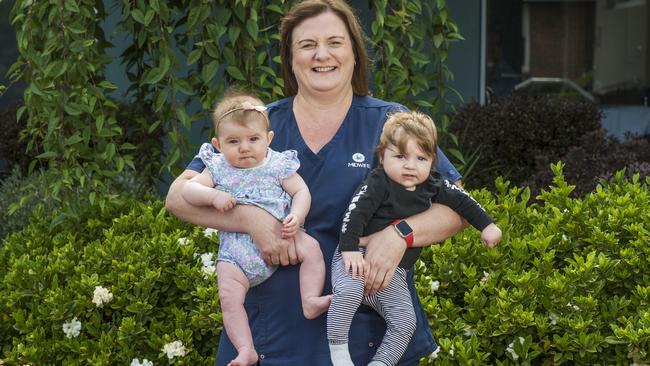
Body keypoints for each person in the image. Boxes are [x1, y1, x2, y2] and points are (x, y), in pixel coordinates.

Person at [165, 0, 467, 364]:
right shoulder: (256, 125)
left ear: (355, 53)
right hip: (269, 338)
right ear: (290, 60)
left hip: (367, 338)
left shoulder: (389, 123)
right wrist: (250, 219)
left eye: (335, 42)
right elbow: (178, 197)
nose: (322, 55)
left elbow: (456, 207)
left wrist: (400, 234)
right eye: (307, 45)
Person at [327, 111, 502, 366]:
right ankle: (339, 351)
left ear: (432, 161)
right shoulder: (378, 182)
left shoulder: (434, 184)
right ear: (382, 156)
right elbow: (354, 213)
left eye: (421, 158)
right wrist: (349, 249)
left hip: (393, 272)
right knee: (350, 291)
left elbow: (465, 202)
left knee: (405, 322)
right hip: (356, 256)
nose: (410, 165)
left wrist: (487, 226)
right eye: (400, 156)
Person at [180, 90, 331, 366]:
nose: (245, 148)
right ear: (218, 144)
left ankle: (310, 299)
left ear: (268, 139)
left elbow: (302, 192)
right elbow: (187, 191)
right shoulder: (217, 167)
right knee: (228, 296)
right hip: (236, 254)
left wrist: (296, 216)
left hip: (284, 235)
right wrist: (213, 196)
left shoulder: (277, 163)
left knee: (312, 249)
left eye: (253, 139)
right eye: (233, 141)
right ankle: (246, 349)